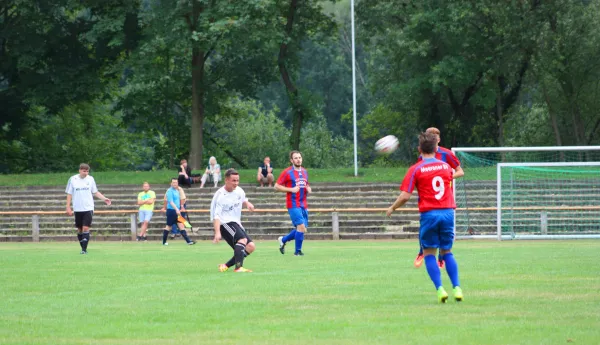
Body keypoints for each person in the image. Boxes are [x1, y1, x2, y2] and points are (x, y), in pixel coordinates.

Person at [386, 132, 463, 303]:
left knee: (429, 253)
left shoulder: (416, 169)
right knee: (447, 251)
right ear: (436, 148)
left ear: (419, 149)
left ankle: (440, 289)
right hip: (448, 212)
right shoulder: (445, 166)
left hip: (430, 214)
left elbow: (405, 196)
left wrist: (392, 207)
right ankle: (457, 287)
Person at [413, 127, 465, 270]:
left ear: (439, 140)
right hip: (428, 198)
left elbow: (460, 171)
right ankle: (421, 253)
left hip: (444, 199)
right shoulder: (423, 156)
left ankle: (441, 259)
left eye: (435, 138)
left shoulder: (447, 154)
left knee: (443, 232)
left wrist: (447, 177)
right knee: (425, 226)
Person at [211, 168, 256, 273]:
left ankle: (225, 265)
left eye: (237, 180)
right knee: (242, 240)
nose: (236, 183)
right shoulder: (220, 195)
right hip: (224, 223)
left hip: (235, 223)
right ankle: (238, 268)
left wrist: (247, 204)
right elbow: (216, 216)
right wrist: (217, 232)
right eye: (233, 180)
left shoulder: (239, 191)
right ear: (226, 180)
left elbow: (243, 199)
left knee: (250, 246)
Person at [65, 163, 111, 254]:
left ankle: (84, 250)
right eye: (84, 171)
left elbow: (95, 192)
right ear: (79, 170)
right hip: (77, 208)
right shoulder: (73, 179)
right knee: (79, 229)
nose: (85, 173)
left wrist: (104, 198)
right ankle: (83, 247)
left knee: (85, 228)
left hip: (88, 208)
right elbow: (69, 194)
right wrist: (68, 207)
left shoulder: (90, 179)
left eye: (87, 171)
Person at [275, 150, 311, 256]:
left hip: (303, 204)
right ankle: (297, 252)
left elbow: (306, 184)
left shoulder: (304, 171)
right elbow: (276, 186)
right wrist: (291, 190)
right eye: (295, 158)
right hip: (293, 204)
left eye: (299, 157)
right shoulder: (287, 172)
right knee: (301, 226)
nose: (298, 159)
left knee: (302, 229)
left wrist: (308, 188)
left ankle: (283, 240)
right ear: (291, 160)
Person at [160, 178, 196, 246]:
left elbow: (180, 200)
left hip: (176, 211)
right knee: (168, 227)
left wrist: (180, 207)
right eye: (173, 182)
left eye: (176, 182)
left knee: (181, 225)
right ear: (171, 183)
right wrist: (176, 209)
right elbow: (170, 202)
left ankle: (188, 241)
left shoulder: (177, 191)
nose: (174, 184)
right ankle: (164, 242)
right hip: (171, 211)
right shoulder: (169, 191)